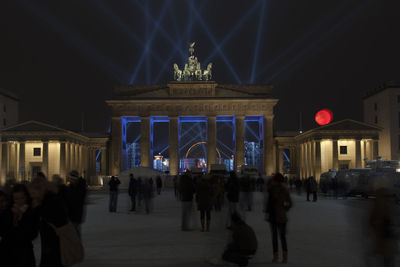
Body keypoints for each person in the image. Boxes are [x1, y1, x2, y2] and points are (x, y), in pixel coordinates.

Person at [28, 174, 69, 267]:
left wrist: (36, 208)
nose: (31, 196)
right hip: (49, 247)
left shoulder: (51, 202)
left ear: (40, 190)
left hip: (56, 247)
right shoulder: (46, 201)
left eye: (33, 193)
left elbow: (57, 220)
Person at [0, 184, 39, 267]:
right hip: (7, 252)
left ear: (26, 197)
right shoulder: (8, 212)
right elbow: (3, 231)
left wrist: (21, 218)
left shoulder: (31, 212)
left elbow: (32, 233)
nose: (19, 201)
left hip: (24, 253)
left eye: (22, 198)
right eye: (16, 199)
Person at [265, 172, 292, 264]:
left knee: (276, 237)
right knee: (281, 237)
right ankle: (283, 257)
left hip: (275, 215)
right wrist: (284, 209)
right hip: (279, 216)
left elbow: (269, 202)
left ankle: (276, 257)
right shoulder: (282, 190)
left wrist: (282, 209)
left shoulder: (272, 189)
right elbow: (290, 203)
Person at [370, 187, 398, 267]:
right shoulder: (390, 204)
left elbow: (371, 220)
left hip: (383, 235)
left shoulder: (377, 205)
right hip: (387, 234)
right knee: (387, 256)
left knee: (385, 256)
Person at [64, 170, 87, 236]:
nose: (70, 180)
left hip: (75, 214)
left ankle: (76, 245)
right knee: (74, 232)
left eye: (72, 178)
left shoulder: (79, 188)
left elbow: (77, 200)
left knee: (74, 233)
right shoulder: (71, 187)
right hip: (71, 214)